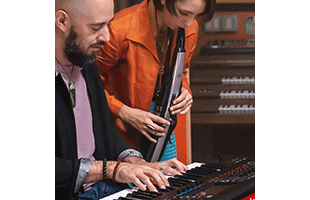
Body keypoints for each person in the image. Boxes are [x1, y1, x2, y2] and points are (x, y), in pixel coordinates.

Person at [55, 0, 188, 199]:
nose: (107, 37)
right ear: (62, 20)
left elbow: (102, 133)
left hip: (103, 189)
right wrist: (112, 169)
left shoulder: (86, 61)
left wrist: (136, 162)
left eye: (108, 24)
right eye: (96, 27)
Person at [97, 0, 216, 161]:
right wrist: (123, 111)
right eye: (184, 13)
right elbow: (88, 83)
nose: (189, 23)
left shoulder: (190, 28)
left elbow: (182, 69)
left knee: (169, 180)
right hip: (118, 125)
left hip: (161, 119)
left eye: (196, 15)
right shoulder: (120, 28)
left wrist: (185, 89)